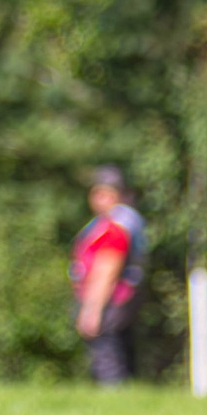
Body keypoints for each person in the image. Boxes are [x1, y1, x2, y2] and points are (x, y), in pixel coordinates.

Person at [71, 166, 147, 387]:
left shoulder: (114, 228)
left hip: (109, 299)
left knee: (106, 356)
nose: (98, 199)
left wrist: (91, 310)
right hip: (117, 298)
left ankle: (113, 394)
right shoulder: (119, 223)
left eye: (105, 193)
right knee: (120, 350)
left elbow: (106, 270)